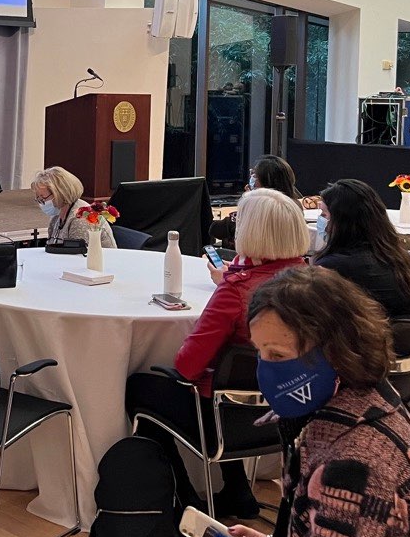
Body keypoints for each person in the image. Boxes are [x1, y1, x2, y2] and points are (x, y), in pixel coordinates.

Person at [142, 266, 410, 537]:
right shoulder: (373, 396)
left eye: (278, 355)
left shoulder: (352, 467)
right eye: (260, 352)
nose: (265, 370)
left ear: (334, 351)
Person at [125, 189, 309, 519]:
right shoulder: (316, 281)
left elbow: (187, 365)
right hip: (292, 412)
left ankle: (185, 501)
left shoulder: (236, 291)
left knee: (140, 389)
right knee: (234, 382)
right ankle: (237, 491)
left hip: (227, 421)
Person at [312, 179, 410, 318]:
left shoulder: (333, 267)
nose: (320, 220)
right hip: (402, 331)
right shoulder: (397, 257)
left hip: (366, 331)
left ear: (342, 221)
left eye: (324, 214)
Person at [207, 155, 312, 250]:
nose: (251, 177)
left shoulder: (259, 209)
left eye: (255, 175)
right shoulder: (295, 205)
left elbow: (215, 229)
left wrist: (248, 201)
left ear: (267, 182)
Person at [31, 165, 116, 248]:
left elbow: (77, 254)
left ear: (60, 193)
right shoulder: (56, 216)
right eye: (39, 199)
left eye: (43, 198)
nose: (42, 204)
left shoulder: (81, 218)